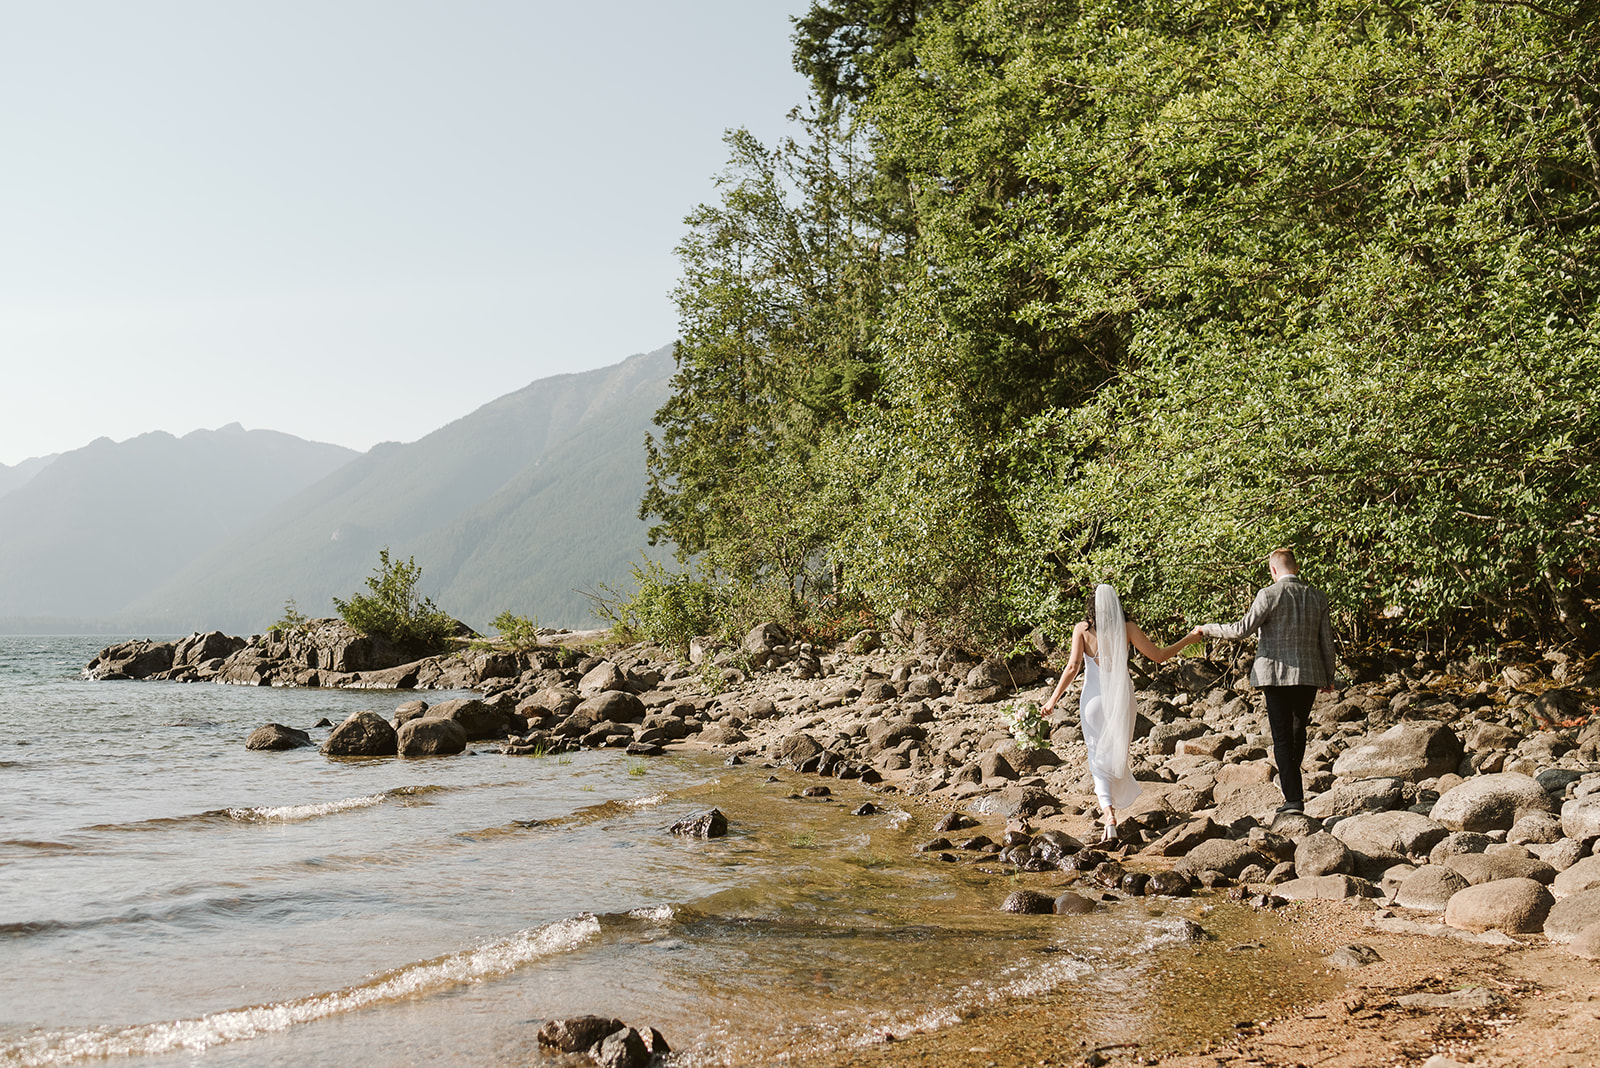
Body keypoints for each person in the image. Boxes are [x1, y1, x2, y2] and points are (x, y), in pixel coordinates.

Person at [1040, 583, 1194, 841]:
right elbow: (1159, 656)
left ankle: (1108, 813)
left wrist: (1053, 700)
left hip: (1093, 701)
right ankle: (1112, 810)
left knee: (1096, 757)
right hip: (1122, 699)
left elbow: (1072, 667)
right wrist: (1189, 638)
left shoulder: (1082, 629)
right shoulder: (1128, 629)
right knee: (1116, 754)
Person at [1190, 547, 1337, 813]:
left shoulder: (1268, 594)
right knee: (1297, 731)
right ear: (1297, 568)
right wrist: (1329, 675)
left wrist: (1207, 629)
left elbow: (1241, 630)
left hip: (1275, 674)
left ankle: (1293, 799)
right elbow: (1326, 642)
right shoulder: (1317, 597)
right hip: (1309, 674)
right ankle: (1292, 787)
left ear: (1272, 570)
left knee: (1282, 737)